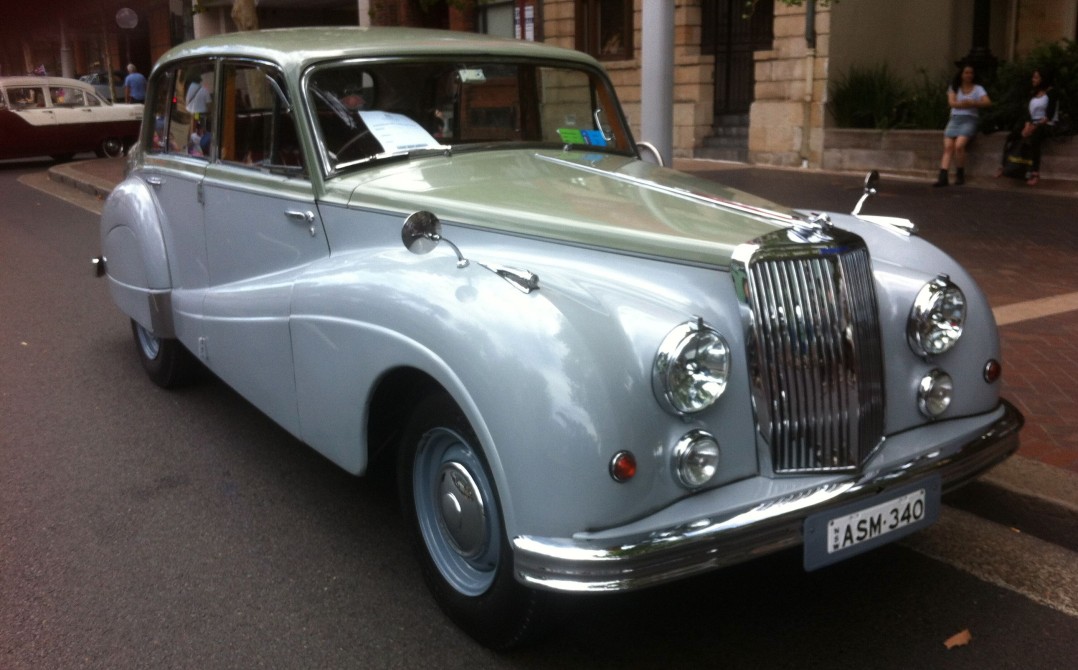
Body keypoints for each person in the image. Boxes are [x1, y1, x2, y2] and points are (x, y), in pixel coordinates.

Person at [933, 64, 990, 187]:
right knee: (948, 147)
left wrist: (973, 102)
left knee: (959, 145)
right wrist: (965, 104)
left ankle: (960, 173)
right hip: (955, 119)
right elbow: (952, 102)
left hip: (969, 119)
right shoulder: (954, 87)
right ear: (961, 74)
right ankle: (943, 176)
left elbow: (987, 102)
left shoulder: (978, 88)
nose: (969, 75)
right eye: (966, 73)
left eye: (971, 73)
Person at [1001, 68, 1059, 186]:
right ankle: (1004, 166)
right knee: (1012, 136)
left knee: (1035, 139)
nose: (1033, 80)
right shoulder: (1034, 92)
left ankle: (1035, 172)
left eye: (1036, 77)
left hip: (1045, 124)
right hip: (1032, 122)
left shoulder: (1051, 93)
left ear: (1043, 79)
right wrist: (1027, 125)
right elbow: (1028, 112)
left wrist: (1034, 127)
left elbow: (1049, 115)